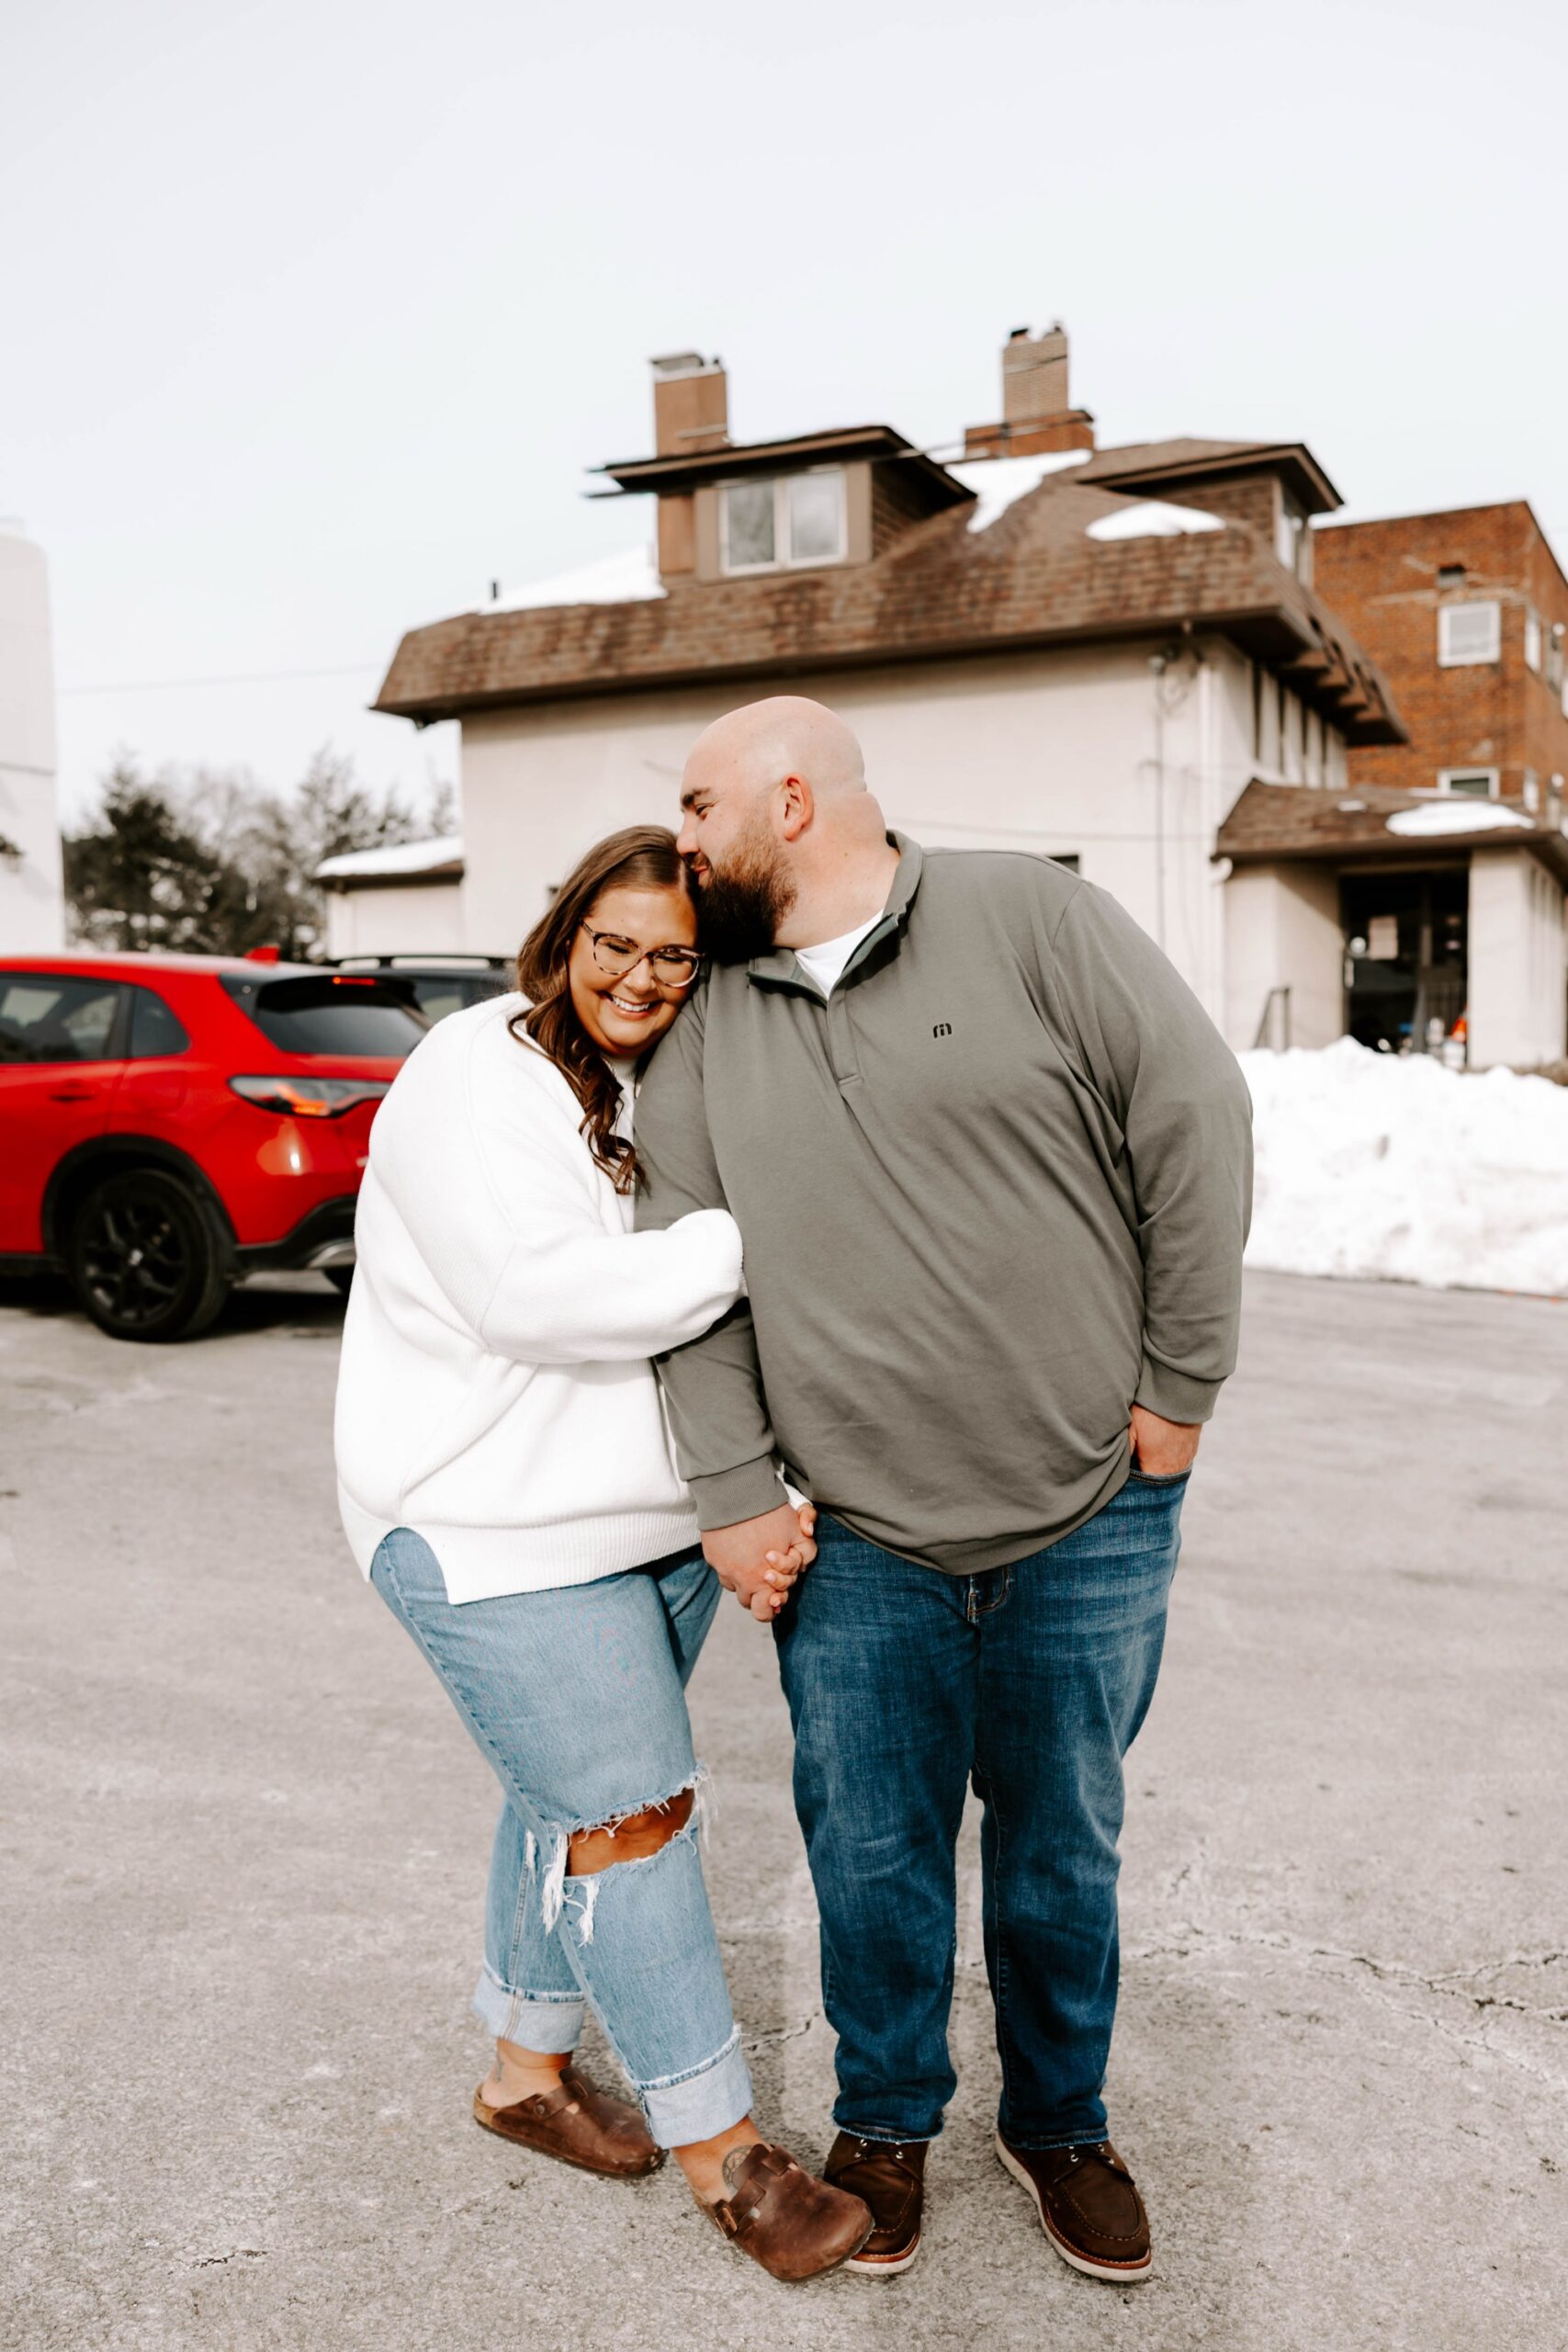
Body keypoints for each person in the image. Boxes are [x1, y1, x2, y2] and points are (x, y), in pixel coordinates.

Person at [634, 700, 1253, 2284]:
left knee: (1061, 1850)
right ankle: (888, 2121)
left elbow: (1194, 1119)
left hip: (1087, 1507)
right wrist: (731, 1484)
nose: (680, 839)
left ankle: (1060, 2124)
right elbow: (684, 1273)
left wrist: (1181, 1385)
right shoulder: (710, 1016)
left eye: (698, 806)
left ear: (788, 801)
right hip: (854, 1535)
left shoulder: (1030, 916)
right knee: (870, 1855)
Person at [333, 823, 873, 2283]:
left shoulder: (670, 1078)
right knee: (633, 1817)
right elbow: (535, 1293)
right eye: (612, 944)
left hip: (649, 1525)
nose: (638, 976)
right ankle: (728, 2157)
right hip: (486, 1526)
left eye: (672, 957)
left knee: (563, 1804)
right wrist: (755, 1235)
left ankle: (524, 2073)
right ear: (566, 934)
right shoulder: (474, 1071)